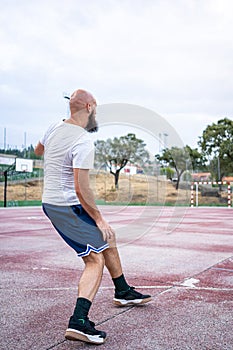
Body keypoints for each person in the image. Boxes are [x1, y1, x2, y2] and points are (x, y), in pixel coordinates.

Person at [35, 89, 151, 345]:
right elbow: (81, 187)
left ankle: (122, 290)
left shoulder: (54, 127)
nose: (96, 114)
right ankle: (79, 321)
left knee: (108, 237)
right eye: (96, 109)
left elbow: (37, 150)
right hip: (64, 205)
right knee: (94, 259)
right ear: (88, 107)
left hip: (57, 201)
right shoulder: (83, 140)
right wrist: (99, 218)